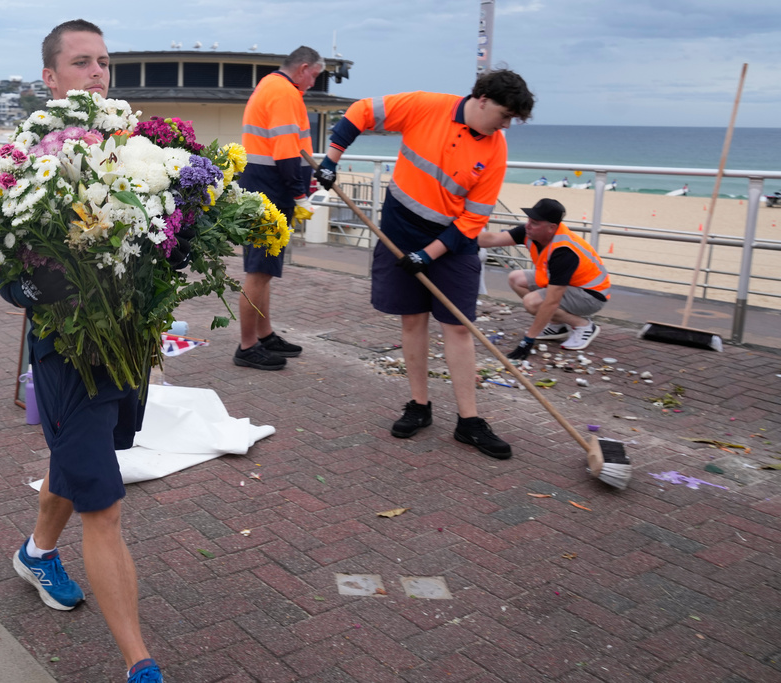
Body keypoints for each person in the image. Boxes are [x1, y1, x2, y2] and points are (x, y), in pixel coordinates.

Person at [0, 20, 174, 683]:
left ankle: (39, 551)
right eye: (81, 62)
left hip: (126, 341)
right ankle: (140, 662)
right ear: (50, 79)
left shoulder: (134, 142)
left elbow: (164, 228)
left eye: (104, 62)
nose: (98, 72)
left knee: (79, 462)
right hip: (70, 350)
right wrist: (48, 284)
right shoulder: (26, 156)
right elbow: (1, 267)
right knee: (104, 499)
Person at [314, 69, 534, 460]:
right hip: (401, 226)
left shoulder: (496, 148)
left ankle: (469, 422)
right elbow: (362, 111)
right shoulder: (425, 106)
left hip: (452, 242)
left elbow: (472, 222)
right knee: (412, 319)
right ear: (482, 99)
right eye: (504, 115)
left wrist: (428, 255)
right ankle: (419, 406)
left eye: (512, 120)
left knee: (458, 326)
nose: (505, 125)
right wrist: (331, 159)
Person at [231, 46, 323, 371]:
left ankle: (264, 335)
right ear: (303, 68)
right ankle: (247, 346)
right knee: (258, 271)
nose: (313, 83)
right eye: (314, 75)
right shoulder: (285, 93)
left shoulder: (271, 85)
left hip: (262, 187)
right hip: (271, 190)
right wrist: (300, 193)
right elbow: (286, 150)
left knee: (264, 271)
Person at [478, 198, 610, 354]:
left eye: (534, 222)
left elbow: (552, 301)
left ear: (552, 228)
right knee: (516, 278)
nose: (527, 225)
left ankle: (583, 325)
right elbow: (493, 239)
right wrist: (459, 239)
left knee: (532, 302)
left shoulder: (564, 251)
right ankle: (556, 324)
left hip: (591, 296)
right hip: (570, 285)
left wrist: (528, 340)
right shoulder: (529, 232)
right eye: (528, 220)